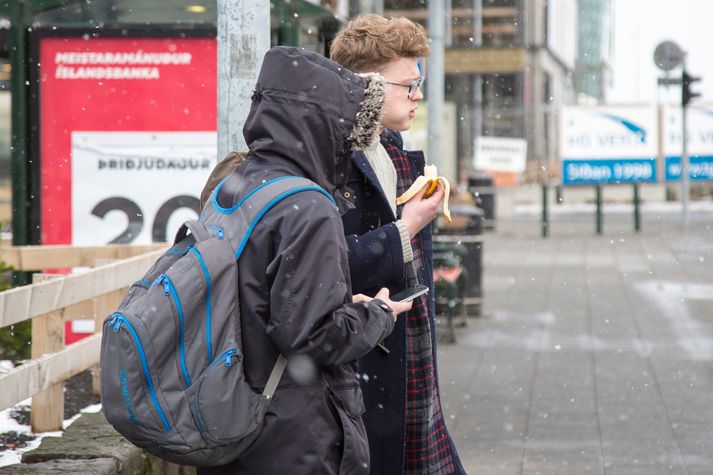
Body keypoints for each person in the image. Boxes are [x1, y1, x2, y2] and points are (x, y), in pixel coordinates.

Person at [198, 46, 411, 474]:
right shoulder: (308, 205)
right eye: (349, 127)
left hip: (233, 412)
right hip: (292, 433)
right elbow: (312, 338)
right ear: (323, 125)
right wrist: (377, 313)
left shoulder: (235, 184)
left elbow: (257, 300)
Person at [330, 15, 467, 474]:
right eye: (408, 85)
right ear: (368, 85)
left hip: (404, 356)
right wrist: (406, 227)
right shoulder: (333, 158)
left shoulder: (388, 148)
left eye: (419, 82)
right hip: (366, 367)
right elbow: (328, 269)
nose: (418, 95)